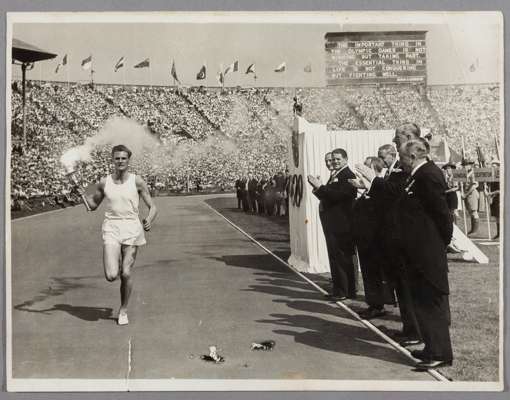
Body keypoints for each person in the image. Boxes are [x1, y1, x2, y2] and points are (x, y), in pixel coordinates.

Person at [353, 125, 422, 346]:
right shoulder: (399, 168)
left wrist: (372, 181)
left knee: (409, 289)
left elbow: (395, 195)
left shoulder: (410, 169)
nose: (394, 141)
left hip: (405, 237)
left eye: (397, 138)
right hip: (394, 237)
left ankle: (414, 331)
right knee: (402, 287)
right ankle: (409, 328)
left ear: (409, 138)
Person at [77, 144, 157, 326]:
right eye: (117, 158)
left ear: (128, 160)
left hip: (132, 229)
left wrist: (149, 219)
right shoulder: (105, 182)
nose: (120, 161)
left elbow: (153, 207)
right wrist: (81, 193)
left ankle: (123, 310)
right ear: (112, 160)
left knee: (126, 273)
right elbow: (92, 205)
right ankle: (116, 259)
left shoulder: (137, 181)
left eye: (123, 158)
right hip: (111, 228)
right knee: (112, 275)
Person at [397, 139, 453, 370]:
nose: (401, 163)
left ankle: (440, 352)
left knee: (431, 302)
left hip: (427, 251)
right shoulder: (419, 175)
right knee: (421, 300)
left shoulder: (427, 175)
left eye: (402, 158)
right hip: (419, 250)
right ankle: (431, 347)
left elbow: (442, 214)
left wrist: (439, 243)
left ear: (412, 156)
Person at [308, 148, 357, 300]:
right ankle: (339, 289)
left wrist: (320, 187)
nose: (334, 162)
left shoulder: (347, 176)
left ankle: (346, 291)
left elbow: (338, 196)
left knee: (342, 257)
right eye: (333, 159)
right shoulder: (336, 175)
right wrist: (318, 188)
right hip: (333, 223)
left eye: (337, 159)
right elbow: (328, 197)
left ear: (345, 159)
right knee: (335, 256)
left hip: (342, 224)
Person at [352, 156, 389, 319]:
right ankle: (373, 303)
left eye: (366, 168)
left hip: (375, 240)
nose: (362, 172)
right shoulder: (369, 189)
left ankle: (378, 305)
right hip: (365, 239)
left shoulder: (381, 188)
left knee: (374, 274)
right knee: (368, 273)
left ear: (374, 169)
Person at [461, 159, 479, 236]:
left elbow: (474, 185)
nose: (464, 167)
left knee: (474, 212)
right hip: (467, 195)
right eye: (464, 165)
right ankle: (472, 230)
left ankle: (475, 231)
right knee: (471, 212)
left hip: (472, 194)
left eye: (466, 165)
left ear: (469, 165)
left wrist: (466, 194)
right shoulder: (466, 174)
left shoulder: (472, 173)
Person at [485, 159, 500, 240]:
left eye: (494, 166)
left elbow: (501, 190)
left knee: (500, 217)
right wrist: (486, 189)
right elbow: (488, 186)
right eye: (492, 166)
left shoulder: (500, 176)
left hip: (499, 199)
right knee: (497, 217)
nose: (492, 167)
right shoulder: (492, 177)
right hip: (494, 199)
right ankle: (499, 233)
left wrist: (490, 193)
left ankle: (501, 233)